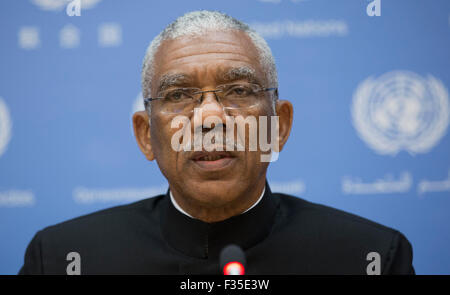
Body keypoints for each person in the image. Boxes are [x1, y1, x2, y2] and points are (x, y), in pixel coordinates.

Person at [19, 10, 414, 275]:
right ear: (145, 135)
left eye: (239, 90)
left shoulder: (370, 256)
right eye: (178, 95)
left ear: (278, 126)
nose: (210, 119)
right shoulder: (64, 258)